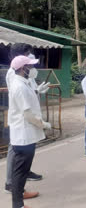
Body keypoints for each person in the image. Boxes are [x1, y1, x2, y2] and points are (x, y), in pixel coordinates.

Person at [5, 43, 48, 196]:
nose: (30, 56)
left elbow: (29, 90)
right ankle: (12, 184)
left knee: (25, 152)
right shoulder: (13, 73)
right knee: (16, 152)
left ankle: (24, 173)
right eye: (27, 54)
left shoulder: (26, 72)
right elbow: (19, 96)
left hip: (27, 118)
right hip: (21, 119)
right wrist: (42, 123)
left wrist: (37, 90)